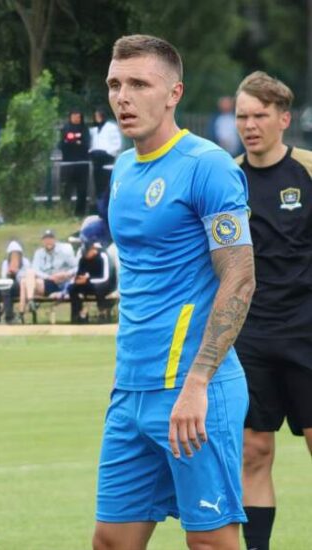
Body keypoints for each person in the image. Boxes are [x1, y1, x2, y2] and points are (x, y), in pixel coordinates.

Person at [92, 35, 256, 550]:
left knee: (210, 542)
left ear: (173, 93)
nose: (123, 97)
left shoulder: (208, 165)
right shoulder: (122, 168)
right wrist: (126, 381)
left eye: (139, 84)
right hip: (131, 390)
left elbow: (240, 277)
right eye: (115, 84)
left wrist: (198, 382)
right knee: (111, 540)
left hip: (194, 390)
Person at [233, 71, 312, 550]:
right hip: (250, 336)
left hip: (307, 332)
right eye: (242, 116)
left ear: (283, 119)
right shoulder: (226, 177)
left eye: (260, 115)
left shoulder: (307, 170)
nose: (250, 125)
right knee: (254, 451)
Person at [18, 229, 76, 318]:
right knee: (25, 279)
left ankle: (23, 310)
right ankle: (28, 304)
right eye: (46, 239)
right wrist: (49, 277)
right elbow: (35, 269)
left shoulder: (64, 251)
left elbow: (77, 267)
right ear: (42, 241)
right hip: (47, 282)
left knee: (24, 282)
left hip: (60, 283)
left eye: (50, 239)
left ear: (54, 240)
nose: (48, 241)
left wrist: (66, 274)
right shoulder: (39, 253)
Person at [63, 241, 115, 324]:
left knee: (97, 288)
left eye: (87, 253)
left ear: (93, 249)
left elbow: (106, 278)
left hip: (106, 284)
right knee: (73, 289)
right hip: (88, 283)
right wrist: (78, 280)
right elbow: (79, 274)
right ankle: (78, 314)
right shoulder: (83, 259)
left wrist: (88, 280)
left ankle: (102, 312)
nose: (86, 255)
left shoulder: (103, 256)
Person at [0, 240, 30, 324]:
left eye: (16, 254)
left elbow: (27, 277)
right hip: (8, 284)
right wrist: (8, 274)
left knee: (6, 290)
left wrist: (16, 272)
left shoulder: (25, 262)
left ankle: (9, 317)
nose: (14, 256)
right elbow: (3, 278)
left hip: (20, 286)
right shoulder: (5, 263)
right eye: (12, 254)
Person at [59, 110, 91, 216]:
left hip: (82, 163)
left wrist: (75, 142)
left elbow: (86, 144)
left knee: (82, 189)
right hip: (68, 163)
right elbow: (62, 144)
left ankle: (80, 212)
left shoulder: (84, 129)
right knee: (66, 188)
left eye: (78, 117)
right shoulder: (65, 128)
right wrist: (74, 142)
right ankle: (65, 212)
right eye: (74, 116)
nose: (76, 119)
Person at [89, 107, 122, 206]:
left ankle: (107, 205)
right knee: (97, 184)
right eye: (96, 116)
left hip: (107, 158)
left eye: (99, 115)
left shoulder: (111, 127)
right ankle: (99, 205)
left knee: (107, 185)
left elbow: (117, 144)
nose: (97, 118)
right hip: (96, 159)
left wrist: (108, 152)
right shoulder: (93, 129)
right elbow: (91, 144)